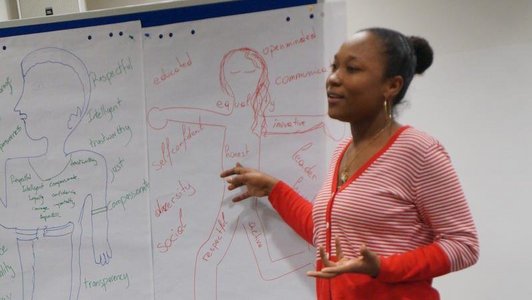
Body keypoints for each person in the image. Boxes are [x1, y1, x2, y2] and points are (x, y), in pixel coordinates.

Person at [220, 28, 479, 299]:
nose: (333, 79)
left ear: (392, 85)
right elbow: (328, 233)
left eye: (352, 69)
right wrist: (273, 189)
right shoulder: (343, 151)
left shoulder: (417, 151)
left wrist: (381, 267)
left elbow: (463, 245)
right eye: (335, 66)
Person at [1, 47, 112, 300]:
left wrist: (101, 241)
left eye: (35, 91)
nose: (19, 106)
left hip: (63, 263)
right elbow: (7, 217)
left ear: (71, 115)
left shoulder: (90, 165)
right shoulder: (13, 169)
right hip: (24, 263)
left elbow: (99, 209)